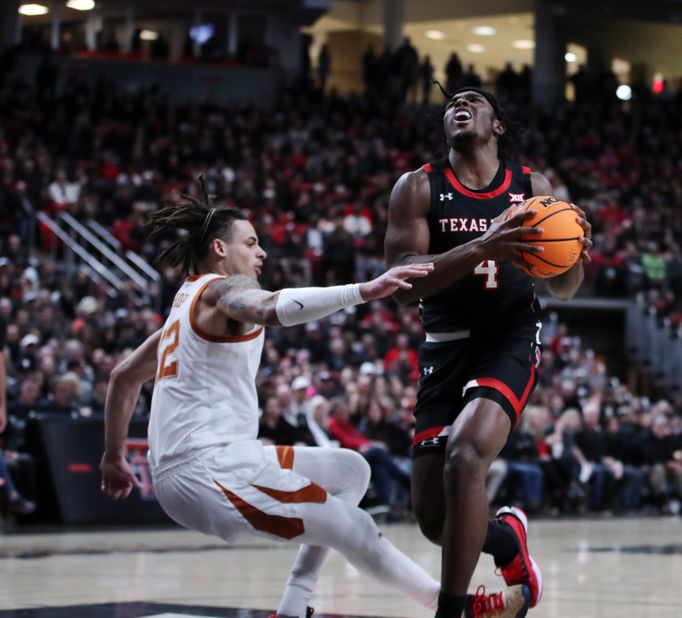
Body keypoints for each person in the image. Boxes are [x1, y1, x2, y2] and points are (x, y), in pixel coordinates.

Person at [100, 181, 531, 618]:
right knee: (354, 527)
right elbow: (268, 307)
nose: (261, 253)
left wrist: (114, 456)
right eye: (251, 243)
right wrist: (364, 290)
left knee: (350, 472)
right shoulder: (220, 291)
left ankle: (292, 606)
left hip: (214, 461)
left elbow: (123, 377)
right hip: (209, 473)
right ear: (218, 249)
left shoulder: (184, 305)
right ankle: (458, 607)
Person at [384, 87, 592, 617]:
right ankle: (506, 543)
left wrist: (574, 252)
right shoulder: (418, 187)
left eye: (473, 100)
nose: (459, 104)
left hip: (509, 338)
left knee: (467, 456)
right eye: (452, 102)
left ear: (497, 125)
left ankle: (451, 613)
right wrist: (483, 245)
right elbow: (403, 285)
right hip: (445, 347)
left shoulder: (531, 188)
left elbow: (566, 288)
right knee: (434, 519)